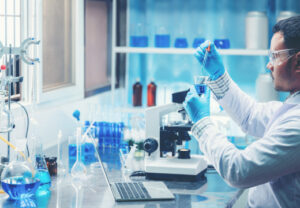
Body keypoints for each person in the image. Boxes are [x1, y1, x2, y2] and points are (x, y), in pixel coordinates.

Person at [183, 15, 300, 208]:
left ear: (298, 62)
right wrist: (218, 76)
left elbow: (239, 170)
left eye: (275, 56)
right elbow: (250, 115)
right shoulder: (292, 107)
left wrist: (202, 124)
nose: (269, 65)